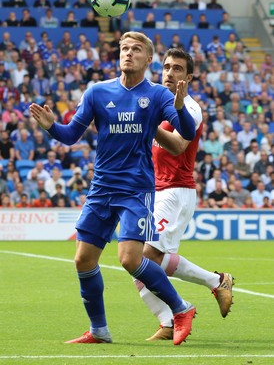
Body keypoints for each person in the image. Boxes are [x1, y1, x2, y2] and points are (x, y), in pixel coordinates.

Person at [30, 31, 196, 346]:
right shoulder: (97, 92)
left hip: (136, 189)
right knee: (83, 260)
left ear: (149, 60)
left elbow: (186, 134)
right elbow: (70, 136)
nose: (128, 53)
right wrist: (51, 126)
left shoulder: (159, 96)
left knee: (130, 259)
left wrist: (180, 107)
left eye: (136, 49)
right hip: (102, 188)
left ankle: (181, 308)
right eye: (124, 48)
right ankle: (99, 330)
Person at [134, 48, 234, 341]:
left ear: (188, 77)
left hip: (175, 192)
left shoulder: (189, 108)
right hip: (156, 193)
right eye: (166, 67)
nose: (170, 73)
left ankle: (178, 312)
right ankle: (179, 311)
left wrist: (148, 123)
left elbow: (178, 144)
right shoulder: (158, 105)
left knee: (143, 261)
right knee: (138, 262)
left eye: (177, 68)